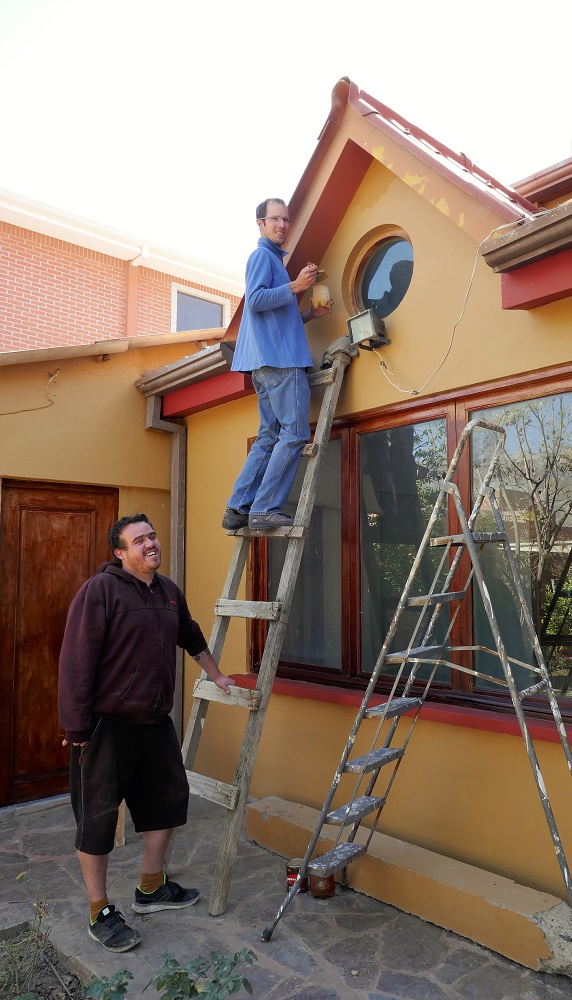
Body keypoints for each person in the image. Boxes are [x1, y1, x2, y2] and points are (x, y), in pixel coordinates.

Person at [58, 513, 234, 953]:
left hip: (155, 722)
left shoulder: (168, 592)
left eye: (152, 536)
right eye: (139, 540)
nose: (150, 543)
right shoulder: (100, 591)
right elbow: (77, 660)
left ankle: (151, 888)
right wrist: (76, 727)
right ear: (120, 553)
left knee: (168, 803)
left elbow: (191, 636)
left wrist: (217, 675)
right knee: (97, 821)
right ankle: (99, 912)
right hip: (107, 726)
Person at [222, 198, 332, 532]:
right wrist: (296, 286)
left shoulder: (273, 261)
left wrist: (310, 313)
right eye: (275, 219)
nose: (282, 225)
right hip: (281, 362)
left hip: (265, 362)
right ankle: (265, 508)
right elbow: (255, 301)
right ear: (260, 223)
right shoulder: (261, 257)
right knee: (295, 433)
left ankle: (238, 507)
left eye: (286, 219)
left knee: (269, 436)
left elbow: (276, 320)